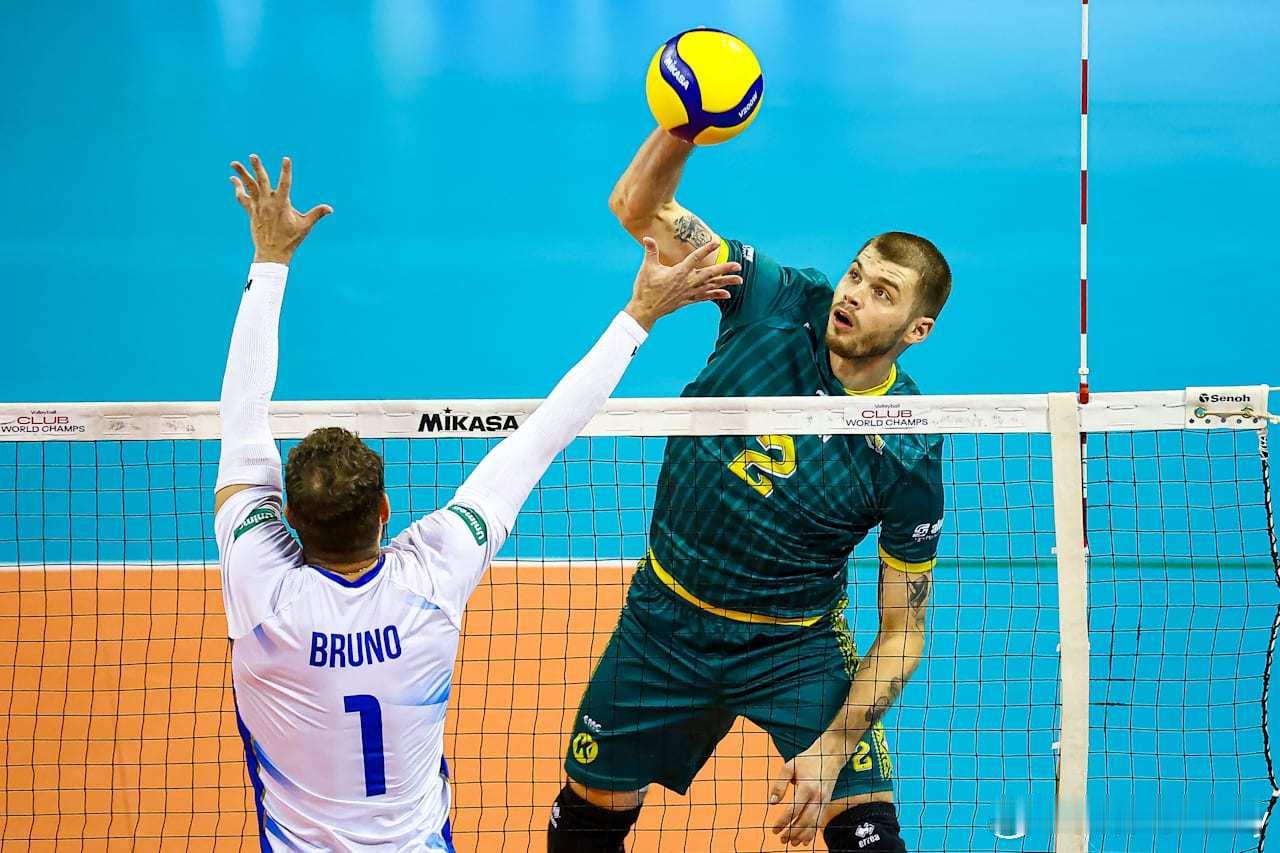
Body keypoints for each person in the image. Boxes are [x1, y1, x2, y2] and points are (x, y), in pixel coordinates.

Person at [213, 153, 742, 851]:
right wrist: (639, 313)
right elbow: (542, 437)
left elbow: (242, 419)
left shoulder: (261, 591)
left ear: (287, 520)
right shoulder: (432, 578)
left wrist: (270, 258)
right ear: (384, 511)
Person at [548, 129, 951, 852]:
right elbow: (637, 208)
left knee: (870, 835)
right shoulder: (778, 299)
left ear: (917, 329)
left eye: (881, 292)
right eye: (856, 274)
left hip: (794, 644)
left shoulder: (907, 445)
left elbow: (902, 630)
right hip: (665, 620)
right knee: (586, 823)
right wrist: (682, 127)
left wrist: (832, 749)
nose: (853, 295)